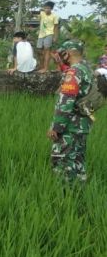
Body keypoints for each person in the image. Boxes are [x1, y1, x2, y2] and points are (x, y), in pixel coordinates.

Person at [47, 41, 93, 183]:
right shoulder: (87, 69)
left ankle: (63, 195)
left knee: (61, 160)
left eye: (63, 53)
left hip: (70, 126)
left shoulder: (74, 72)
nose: (61, 56)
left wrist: (56, 127)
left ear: (70, 53)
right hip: (83, 124)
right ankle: (79, 194)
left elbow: (66, 101)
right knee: (78, 160)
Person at [36, 1, 60, 73]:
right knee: (39, 50)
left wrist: (55, 37)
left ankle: (45, 68)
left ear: (51, 9)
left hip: (49, 34)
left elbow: (56, 27)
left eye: (48, 8)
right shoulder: (42, 13)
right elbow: (37, 17)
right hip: (41, 34)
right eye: (45, 8)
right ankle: (41, 66)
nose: (46, 9)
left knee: (47, 50)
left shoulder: (55, 16)